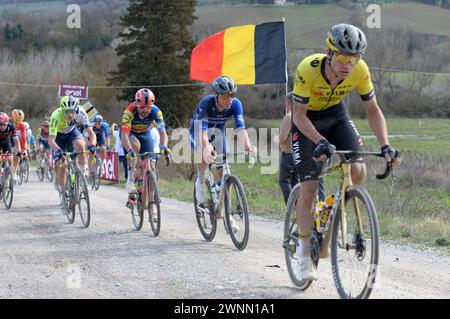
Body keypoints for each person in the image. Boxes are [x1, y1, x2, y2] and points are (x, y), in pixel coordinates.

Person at [291, 24, 400, 281]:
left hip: (337, 116)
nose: (348, 65)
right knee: (308, 188)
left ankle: (333, 215)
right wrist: (319, 141)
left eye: (354, 59)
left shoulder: (359, 71)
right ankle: (304, 250)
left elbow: (373, 109)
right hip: (307, 121)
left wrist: (385, 144)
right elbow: (298, 115)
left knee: (359, 171)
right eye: (342, 57)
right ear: (329, 53)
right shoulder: (308, 69)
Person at [189, 75, 257, 225]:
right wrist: (206, 147)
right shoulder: (207, 103)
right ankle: (200, 181)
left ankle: (223, 212)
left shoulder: (236, 105)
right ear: (217, 95)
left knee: (224, 172)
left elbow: (241, 130)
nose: (229, 99)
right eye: (226, 96)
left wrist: (248, 147)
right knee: (204, 152)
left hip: (218, 133)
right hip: (198, 131)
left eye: (231, 95)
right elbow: (203, 132)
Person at [121, 88, 171, 219]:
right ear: (137, 104)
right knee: (135, 147)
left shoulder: (156, 111)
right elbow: (124, 134)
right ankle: (131, 179)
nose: (145, 110)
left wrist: (164, 146)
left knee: (151, 167)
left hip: (146, 134)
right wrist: (129, 150)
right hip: (131, 134)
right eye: (142, 107)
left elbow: (162, 133)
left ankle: (153, 203)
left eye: (148, 108)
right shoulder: (129, 111)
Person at [49, 96, 97, 207]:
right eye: (67, 112)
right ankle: (62, 192)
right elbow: (51, 140)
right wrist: (59, 151)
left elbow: (91, 133)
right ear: (62, 110)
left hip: (71, 132)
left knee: (81, 146)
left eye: (72, 111)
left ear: (76, 109)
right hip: (58, 137)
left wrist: (93, 145)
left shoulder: (81, 112)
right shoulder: (56, 115)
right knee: (63, 165)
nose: (70, 115)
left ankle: (82, 175)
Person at [279, 92, 325, 205]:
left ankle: (293, 206)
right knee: (309, 181)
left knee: (285, 181)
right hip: (306, 153)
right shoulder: (307, 115)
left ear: (289, 103)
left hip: (289, 153)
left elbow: (282, 138)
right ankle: (318, 207)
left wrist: (278, 139)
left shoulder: (289, 116)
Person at [10, 109, 28, 181]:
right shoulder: (9, 123)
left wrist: (24, 149)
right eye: (16, 123)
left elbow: (23, 138)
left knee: (17, 156)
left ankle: (14, 173)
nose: (17, 124)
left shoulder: (22, 125)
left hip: (18, 143)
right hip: (10, 142)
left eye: (18, 123)